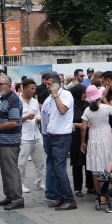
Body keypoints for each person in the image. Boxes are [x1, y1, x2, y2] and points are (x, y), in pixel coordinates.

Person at [40, 71, 77, 210]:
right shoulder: (49, 98)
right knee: (55, 169)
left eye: (49, 83)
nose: (47, 86)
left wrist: (56, 95)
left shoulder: (65, 95)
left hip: (62, 137)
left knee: (59, 169)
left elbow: (63, 110)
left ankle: (69, 199)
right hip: (51, 136)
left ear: (56, 83)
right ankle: (61, 196)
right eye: (46, 83)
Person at [0, 73, 24, 211]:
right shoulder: (4, 98)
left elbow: (14, 122)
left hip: (11, 140)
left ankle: (17, 199)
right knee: (5, 170)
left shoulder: (13, 100)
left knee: (11, 170)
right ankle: (9, 196)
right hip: (3, 140)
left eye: (0, 84)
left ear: (9, 86)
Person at [82, 85, 112, 209]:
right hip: (106, 136)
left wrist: (83, 141)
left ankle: (99, 194)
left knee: (95, 167)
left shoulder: (87, 110)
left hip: (93, 137)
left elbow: (83, 127)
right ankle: (108, 192)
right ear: (99, 96)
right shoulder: (106, 107)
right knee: (108, 163)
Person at [17, 78, 45, 194]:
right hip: (24, 136)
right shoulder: (17, 101)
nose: (34, 91)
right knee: (22, 162)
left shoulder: (34, 101)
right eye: (31, 89)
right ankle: (20, 183)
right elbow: (14, 120)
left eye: (34, 88)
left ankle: (39, 182)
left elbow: (38, 115)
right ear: (24, 88)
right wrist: (26, 117)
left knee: (40, 161)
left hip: (36, 135)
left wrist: (39, 119)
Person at [68, 84, 88, 197]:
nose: (85, 95)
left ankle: (90, 186)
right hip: (75, 137)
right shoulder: (71, 106)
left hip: (87, 135)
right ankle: (78, 188)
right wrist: (77, 124)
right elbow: (66, 121)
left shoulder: (87, 105)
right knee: (77, 162)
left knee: (89, 161)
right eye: (83, 93)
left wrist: (85, 125)